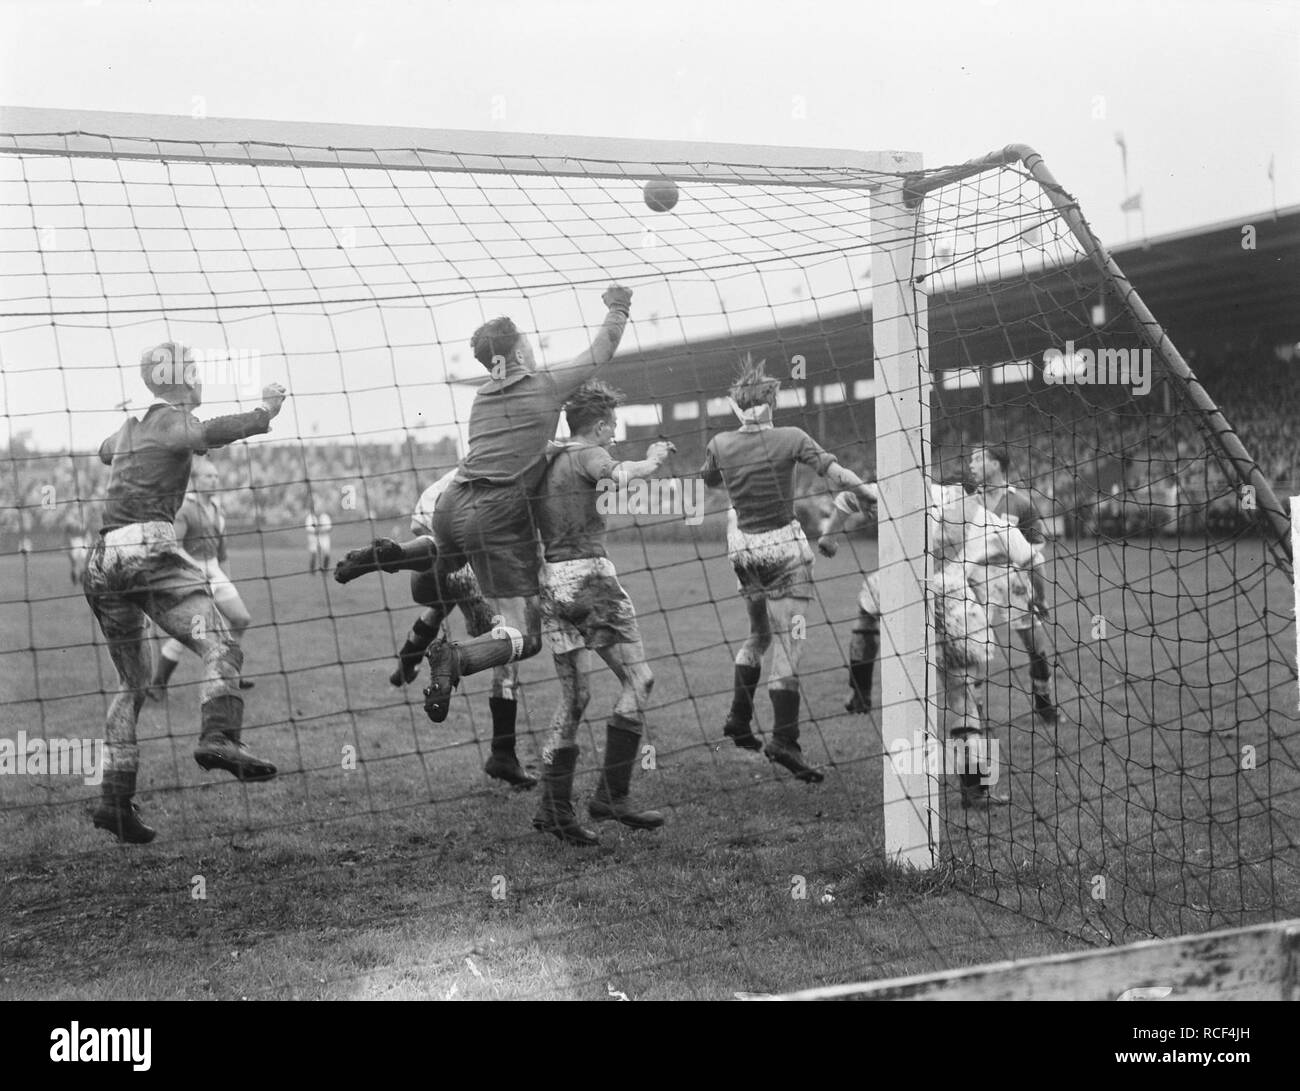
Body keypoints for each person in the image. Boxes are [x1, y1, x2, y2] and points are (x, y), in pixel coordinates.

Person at [84, 341, 285, 843]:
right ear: (183, 378)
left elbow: (104, 450)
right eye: (195, 370)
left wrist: (131, 436)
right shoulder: (175, 420)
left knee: (132, 685)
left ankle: (113, 800)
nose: (200, 378)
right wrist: (265, 412)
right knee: (221, 641)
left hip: (102, 560)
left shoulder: (132, 427)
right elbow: (207, 432)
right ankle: (218, 737)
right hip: (146, 547)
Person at [421, 284, 633, 724]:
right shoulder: (545, 386)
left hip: (450, 505)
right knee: (526, 635)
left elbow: (520, 444)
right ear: (517, 354)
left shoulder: (481, 398)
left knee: (443, 575)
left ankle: (401, 559)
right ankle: (456, 659)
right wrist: (618, 305)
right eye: (527, 344)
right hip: (493, 516)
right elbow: (603, 349)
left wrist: (551, 447)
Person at [702, 355, 876, 783]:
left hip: (743, 552)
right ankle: (785, 739)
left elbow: (708, 479)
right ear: (770, 403)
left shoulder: (720, 443)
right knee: (790, 642)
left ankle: (739, 719)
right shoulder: (790, 437)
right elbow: (836, 473)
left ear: (737, 407)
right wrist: (869, 493)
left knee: (759, 634)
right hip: (783, 552)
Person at [530, 381, 672, 845]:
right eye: (612, 426)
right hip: (590, 580)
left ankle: (552, 810)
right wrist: (650, 461)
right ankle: (612, 794)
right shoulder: (588, 453)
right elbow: (617, 472)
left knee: (575, 698)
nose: (614, 433)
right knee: (639, 679)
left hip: (551, 584)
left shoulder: (547, 459)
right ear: (600, 425)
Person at [333, 467, 535, 788]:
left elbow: (421, 519)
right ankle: (503, 753)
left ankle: (405, 656)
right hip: (471, 562)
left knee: (440, 602)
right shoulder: (518, 468)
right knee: (508, 639)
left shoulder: (465, 468)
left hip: (429, 552)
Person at [929, 481, 1033, 808]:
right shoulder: (994, 523)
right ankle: (973, 791)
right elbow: (1029, 556)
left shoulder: (927, 507)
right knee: (965, 699)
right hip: (955, 609)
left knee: (947, 695)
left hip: (915, 604)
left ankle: (933, 784)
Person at [145, 456, 256, 700]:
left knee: (241, 619)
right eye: (208, 476)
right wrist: (195, 568)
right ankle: (158, 684)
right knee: (193, 632)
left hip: (214, 572)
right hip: (191, 576)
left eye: (216, 476)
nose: (214, 480)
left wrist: (226, 577)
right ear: (194, 481)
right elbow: (173, 545)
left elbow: (222, 550)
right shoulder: (185, 509)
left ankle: (228, 671)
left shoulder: (217, 508)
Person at [968, 446, 1059, 722]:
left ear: (996, 464)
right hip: (977, 577)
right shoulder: (967, 502)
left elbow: (1034, 553)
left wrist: (1039, 596)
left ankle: (1043, 702)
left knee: (1035, 645)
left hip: (1013, 576)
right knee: (973, 648)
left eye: (978, 458)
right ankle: (975, 712)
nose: (971, 464)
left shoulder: (1021, 503)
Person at [816, 488, 879, 713]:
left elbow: (847, 498)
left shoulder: (900, 488)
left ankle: (860, 695)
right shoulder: (897, 486)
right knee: (866, 618)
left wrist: (828, 537)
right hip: (901, 574)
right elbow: (848, 497)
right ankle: (860, 694)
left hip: (943, 578)